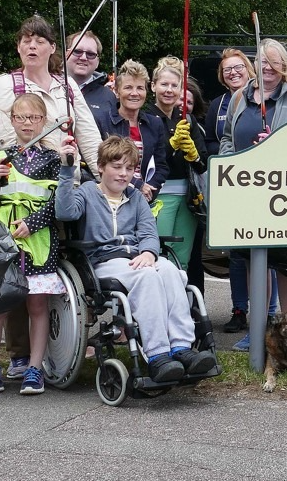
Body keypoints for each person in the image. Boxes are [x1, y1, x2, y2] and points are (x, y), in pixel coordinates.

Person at [55, 135, 217, 383]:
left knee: (171, 271)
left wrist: (150, 252)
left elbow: (148, 231)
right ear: (100, 167)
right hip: (104, 260)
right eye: (117, 167)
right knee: (147, 277)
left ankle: (183, 348)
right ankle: (158, 355)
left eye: (129, 168)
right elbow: (65, 212)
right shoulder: (87, 192)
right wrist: (67, 170)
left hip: (138, 256)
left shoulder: (136, 196)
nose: (123, 174)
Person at [221, 39, 287, 346]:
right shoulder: (239, 97)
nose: (267, 69)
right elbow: (225, 139)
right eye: (262, 63)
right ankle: (258, 332)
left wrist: (278, 144)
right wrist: (231, 161)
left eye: (274, 63)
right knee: (255, 260)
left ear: (284, 66)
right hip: (247, 193)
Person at [0, 94, 65, 395]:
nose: (27, 123)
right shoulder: (0, 158)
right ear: (11, 120)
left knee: (37, 304)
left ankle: (34, 368)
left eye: (34, 118)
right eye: (21, 117)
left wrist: (33, 223)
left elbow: (58, 203)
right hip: (5, 243)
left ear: (44, 122)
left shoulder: (54, 160)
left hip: (39, 242)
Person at [0, 15, 103, 178]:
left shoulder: (68, 84)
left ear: (52, 47)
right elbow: (5, 143)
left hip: (68, 183)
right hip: (24, 184)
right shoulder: (6, 84)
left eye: (40, 41)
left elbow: (90, 140)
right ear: (19, 47)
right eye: (26, 41)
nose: (32, 46)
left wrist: (107, 182)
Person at [203, 47, 263, 334]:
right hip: (230, 184)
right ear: (222, 76)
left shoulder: (261, 98)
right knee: (237, 253)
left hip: (262, 185)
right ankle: (239, 309)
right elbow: (210, 144)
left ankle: (269, 312)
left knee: (265, 251)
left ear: (249, 70)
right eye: (227, 69)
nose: (233, 72)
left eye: (239, 67)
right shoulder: (217, 104)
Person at [149, 58, 207, 276]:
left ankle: (178, 304)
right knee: (160, 254)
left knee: (181, 259)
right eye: (164, 84)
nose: (169, 90)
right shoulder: (146, 117)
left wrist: (193, 154)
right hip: (158, 196)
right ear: (153, 86)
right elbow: (145, 162)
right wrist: (169, 147)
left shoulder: (187, 120)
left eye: (175, 86)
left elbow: (202, 164)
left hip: (188, 198)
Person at [101, 59, 169, 201]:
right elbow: (100, 164)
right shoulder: (103, 121)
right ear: (117, 92)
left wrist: (149, 189)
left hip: (145, 198)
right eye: (128, 87)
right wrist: (138, 185)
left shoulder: (155, 124)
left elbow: (161, 166)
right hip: (110, 197)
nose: (134, 93)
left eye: (140, 88)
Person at [65, 30, 118, 123]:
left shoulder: (109, 97)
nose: (83, 58)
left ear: (97, 62)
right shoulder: (49, 87)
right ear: (65, 54)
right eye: (77, 51)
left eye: (90, 54)